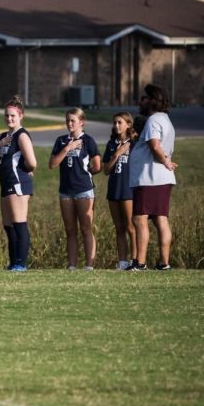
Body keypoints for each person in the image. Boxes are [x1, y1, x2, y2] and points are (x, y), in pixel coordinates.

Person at [128, 84, 177, 271]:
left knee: (140, 219)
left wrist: (164, 161)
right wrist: (167, 162)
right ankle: (164, 262)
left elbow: (155, 145)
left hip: (149, 178)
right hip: (162, 178)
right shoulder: (166, 119)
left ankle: (139, 263)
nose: (141, 101)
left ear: (152, 100)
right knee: (160, 219)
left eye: (144, 97)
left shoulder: (153, 121)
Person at [0, 97, 37, 271]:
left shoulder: (21, 136)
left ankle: (21, 263)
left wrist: (24, 169)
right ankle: (13, 262)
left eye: (12, 116)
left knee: (19, 223)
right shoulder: (4, 137)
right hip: (6, 184)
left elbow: (32, 162)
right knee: (8, 226)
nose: (9, 119)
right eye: (7, 116)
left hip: (18, 183)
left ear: (21, 116)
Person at [49, 107, 101, 270]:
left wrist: (85, 174)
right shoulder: (61, 141)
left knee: (86, 227)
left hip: (83, 189)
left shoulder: (88, 141)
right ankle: (72, 265)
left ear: (82, 122)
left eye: (73, 120)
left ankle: (89, 264)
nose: (69, 123)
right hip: (65, 190)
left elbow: (97, 165)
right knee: (70, 229)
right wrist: (67, 149)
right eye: (67, 120)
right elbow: (52, 164)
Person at [102, 112, 137, 271]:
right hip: (114, 189)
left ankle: (135, 260)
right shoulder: (111, 144)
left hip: (128, 189)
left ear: (128, 124)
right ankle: (122, 261)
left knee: (131, 226)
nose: (116, 125)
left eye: (120, 122)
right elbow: (106, 170)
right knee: (119, 227)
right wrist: (116, 154)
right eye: (115, 122)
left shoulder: (134, 143)